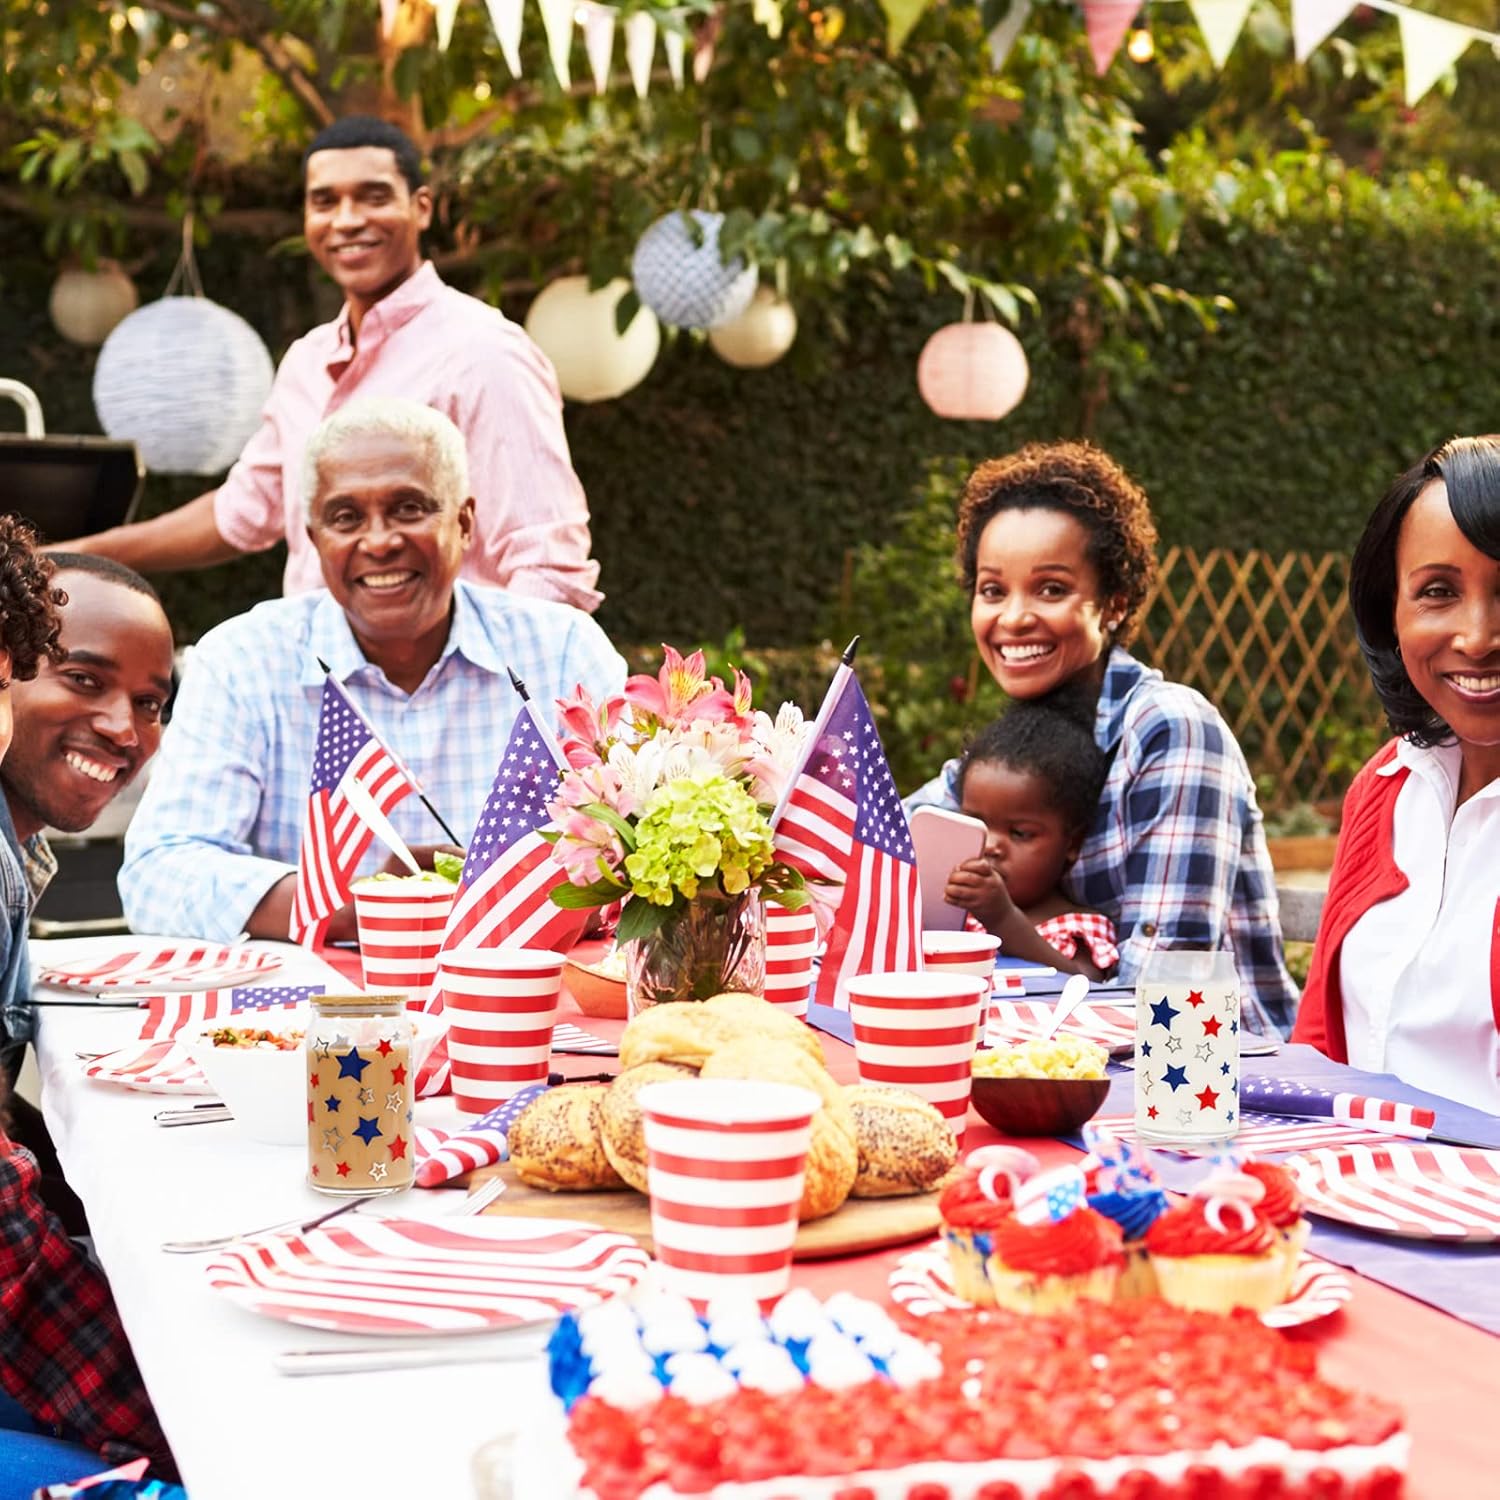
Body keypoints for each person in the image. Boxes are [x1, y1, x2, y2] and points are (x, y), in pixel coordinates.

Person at [119, 397, 627, 943]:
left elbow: (640, 847)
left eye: (409, 508)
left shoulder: (561, 650)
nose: (380, 541)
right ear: (314, 540)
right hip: (304, 1018)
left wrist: (519, 894)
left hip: (521, 999)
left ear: (464, 523)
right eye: (346, 517)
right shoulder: (243, 660)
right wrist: (364, 905)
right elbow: (158, 874)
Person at [65, 116, 601, 613]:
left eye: (373, 197)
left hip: (445, 698)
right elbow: (243, 512)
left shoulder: (484, 353)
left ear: (421, 207)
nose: (346, 221)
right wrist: (72, 559)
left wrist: (494, 701)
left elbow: (549, 568)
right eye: (325, 202)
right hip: (319, 691)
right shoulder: (307, 361)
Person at [908, 440, 1298, 1035]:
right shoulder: (1001, 754)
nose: (1013, 618)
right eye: (993, 590)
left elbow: (1169, 989)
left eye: (1051, 589)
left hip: (1212, 1078)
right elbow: (884, 849)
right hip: (1051, 1052)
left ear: (1113, 603)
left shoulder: (1171, 733)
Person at [1293, 436, 1500, 1112]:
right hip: (1356, 1194)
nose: (1476, 636)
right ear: (1392, 611)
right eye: (1438, 591)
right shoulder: (1387, 783)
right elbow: (1320, 1042)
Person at [945, 698, 1118, 981]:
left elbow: (1085, 986)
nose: (991, 846)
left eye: (1020, 833)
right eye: (977, 824)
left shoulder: (1078, 926)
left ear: (1072, 844)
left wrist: (1002, 918)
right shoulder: (955, 914)